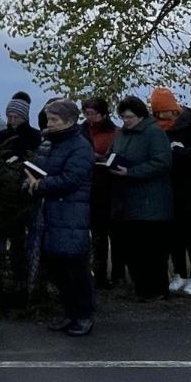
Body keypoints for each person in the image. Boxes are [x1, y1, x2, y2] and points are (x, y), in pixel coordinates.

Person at [27, 100, 96, 336]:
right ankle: (69, 312)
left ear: (69, 121)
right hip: (48, 215)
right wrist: (29, 181)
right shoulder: (47, 143)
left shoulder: (80, 146)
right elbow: (37, 168)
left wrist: (42, 185)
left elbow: (71, 179)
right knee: (57, 269)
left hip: (71, 214)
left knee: (76, 268)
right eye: (49, 119)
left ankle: (84, 315)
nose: (50, 123)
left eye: (55, 120)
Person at [107, 96, 173, 301]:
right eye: (123, 117)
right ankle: (141, 287)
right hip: (127, 200)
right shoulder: (121, 135)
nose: (126, 120)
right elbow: (113, 153)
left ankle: (158, 289)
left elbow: (162, 162)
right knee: (133, 247)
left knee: (152, 249)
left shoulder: (154, 133)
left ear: (140, 116)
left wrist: (131, 172)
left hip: (151, 202)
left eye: (130, 117)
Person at [153, 88, 191, 296]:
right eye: (157, 112)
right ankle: (179, 272)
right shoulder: (156, 126)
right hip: (168, 186)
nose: (160, 116)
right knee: (173, 233)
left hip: (190, 185)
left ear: (172, 109)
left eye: (163, 111)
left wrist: (180, 150)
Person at [0, 92, 40, 304]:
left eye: (16, 117)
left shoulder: (34, 136)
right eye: (9, 116)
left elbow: (34, 159)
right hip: (3, 194)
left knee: (20, 241)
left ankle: (22, 281)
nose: (12, 121)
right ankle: (1, 279)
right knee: (0, 239)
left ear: (24, 117)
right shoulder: (2, 136)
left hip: (22, 193)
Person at [82, 98, 119, 286]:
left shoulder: (113, 132)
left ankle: (107, 273)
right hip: (87, 183)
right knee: (91, 231)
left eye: (94, 114)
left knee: (104, 231)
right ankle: (92, 272)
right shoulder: (81, 131)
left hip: (106, 184)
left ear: (103, 114)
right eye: (87, 113)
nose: (90, 118)